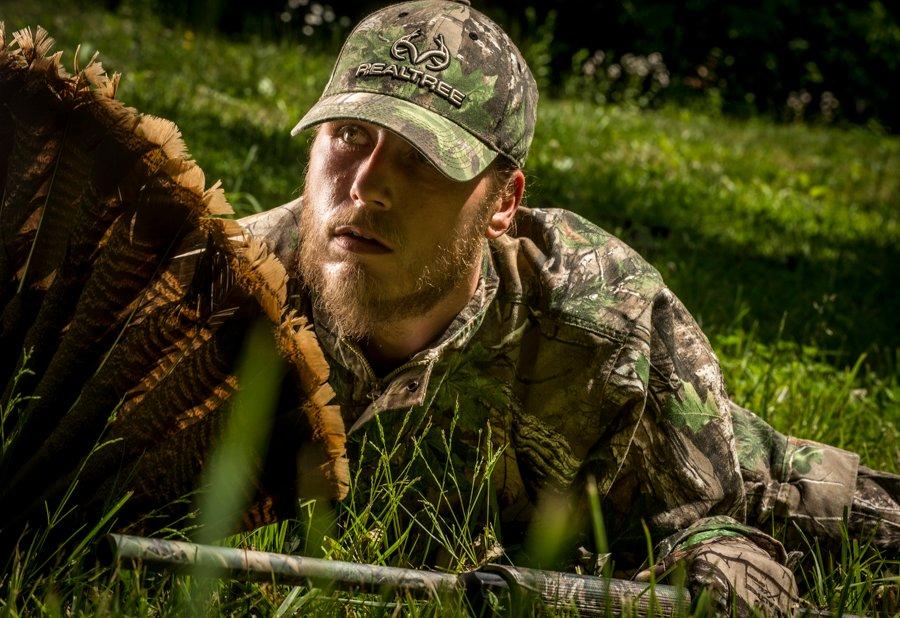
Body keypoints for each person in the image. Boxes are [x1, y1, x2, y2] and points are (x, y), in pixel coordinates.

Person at [238, 0, 899, 613]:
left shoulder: (600, 321)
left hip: (743, 490)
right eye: (351, 134)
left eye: (424, 158)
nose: (368, 186)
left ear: (502, 202)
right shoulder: (224, 286)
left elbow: (712, 533)